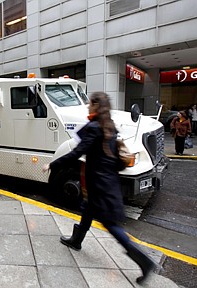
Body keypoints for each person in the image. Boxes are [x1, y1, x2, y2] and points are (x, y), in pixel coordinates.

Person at [42, 92, 157, 284]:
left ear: (95, 106)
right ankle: (76, 240)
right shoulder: (108, 125)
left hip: (99, 185)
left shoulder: (94, 128)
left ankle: (143, 260)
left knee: (111, 225)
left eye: (89, 104)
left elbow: (76, 152)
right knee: (88, 210)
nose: (87, 106)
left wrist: (53, 164)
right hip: (108, 182)